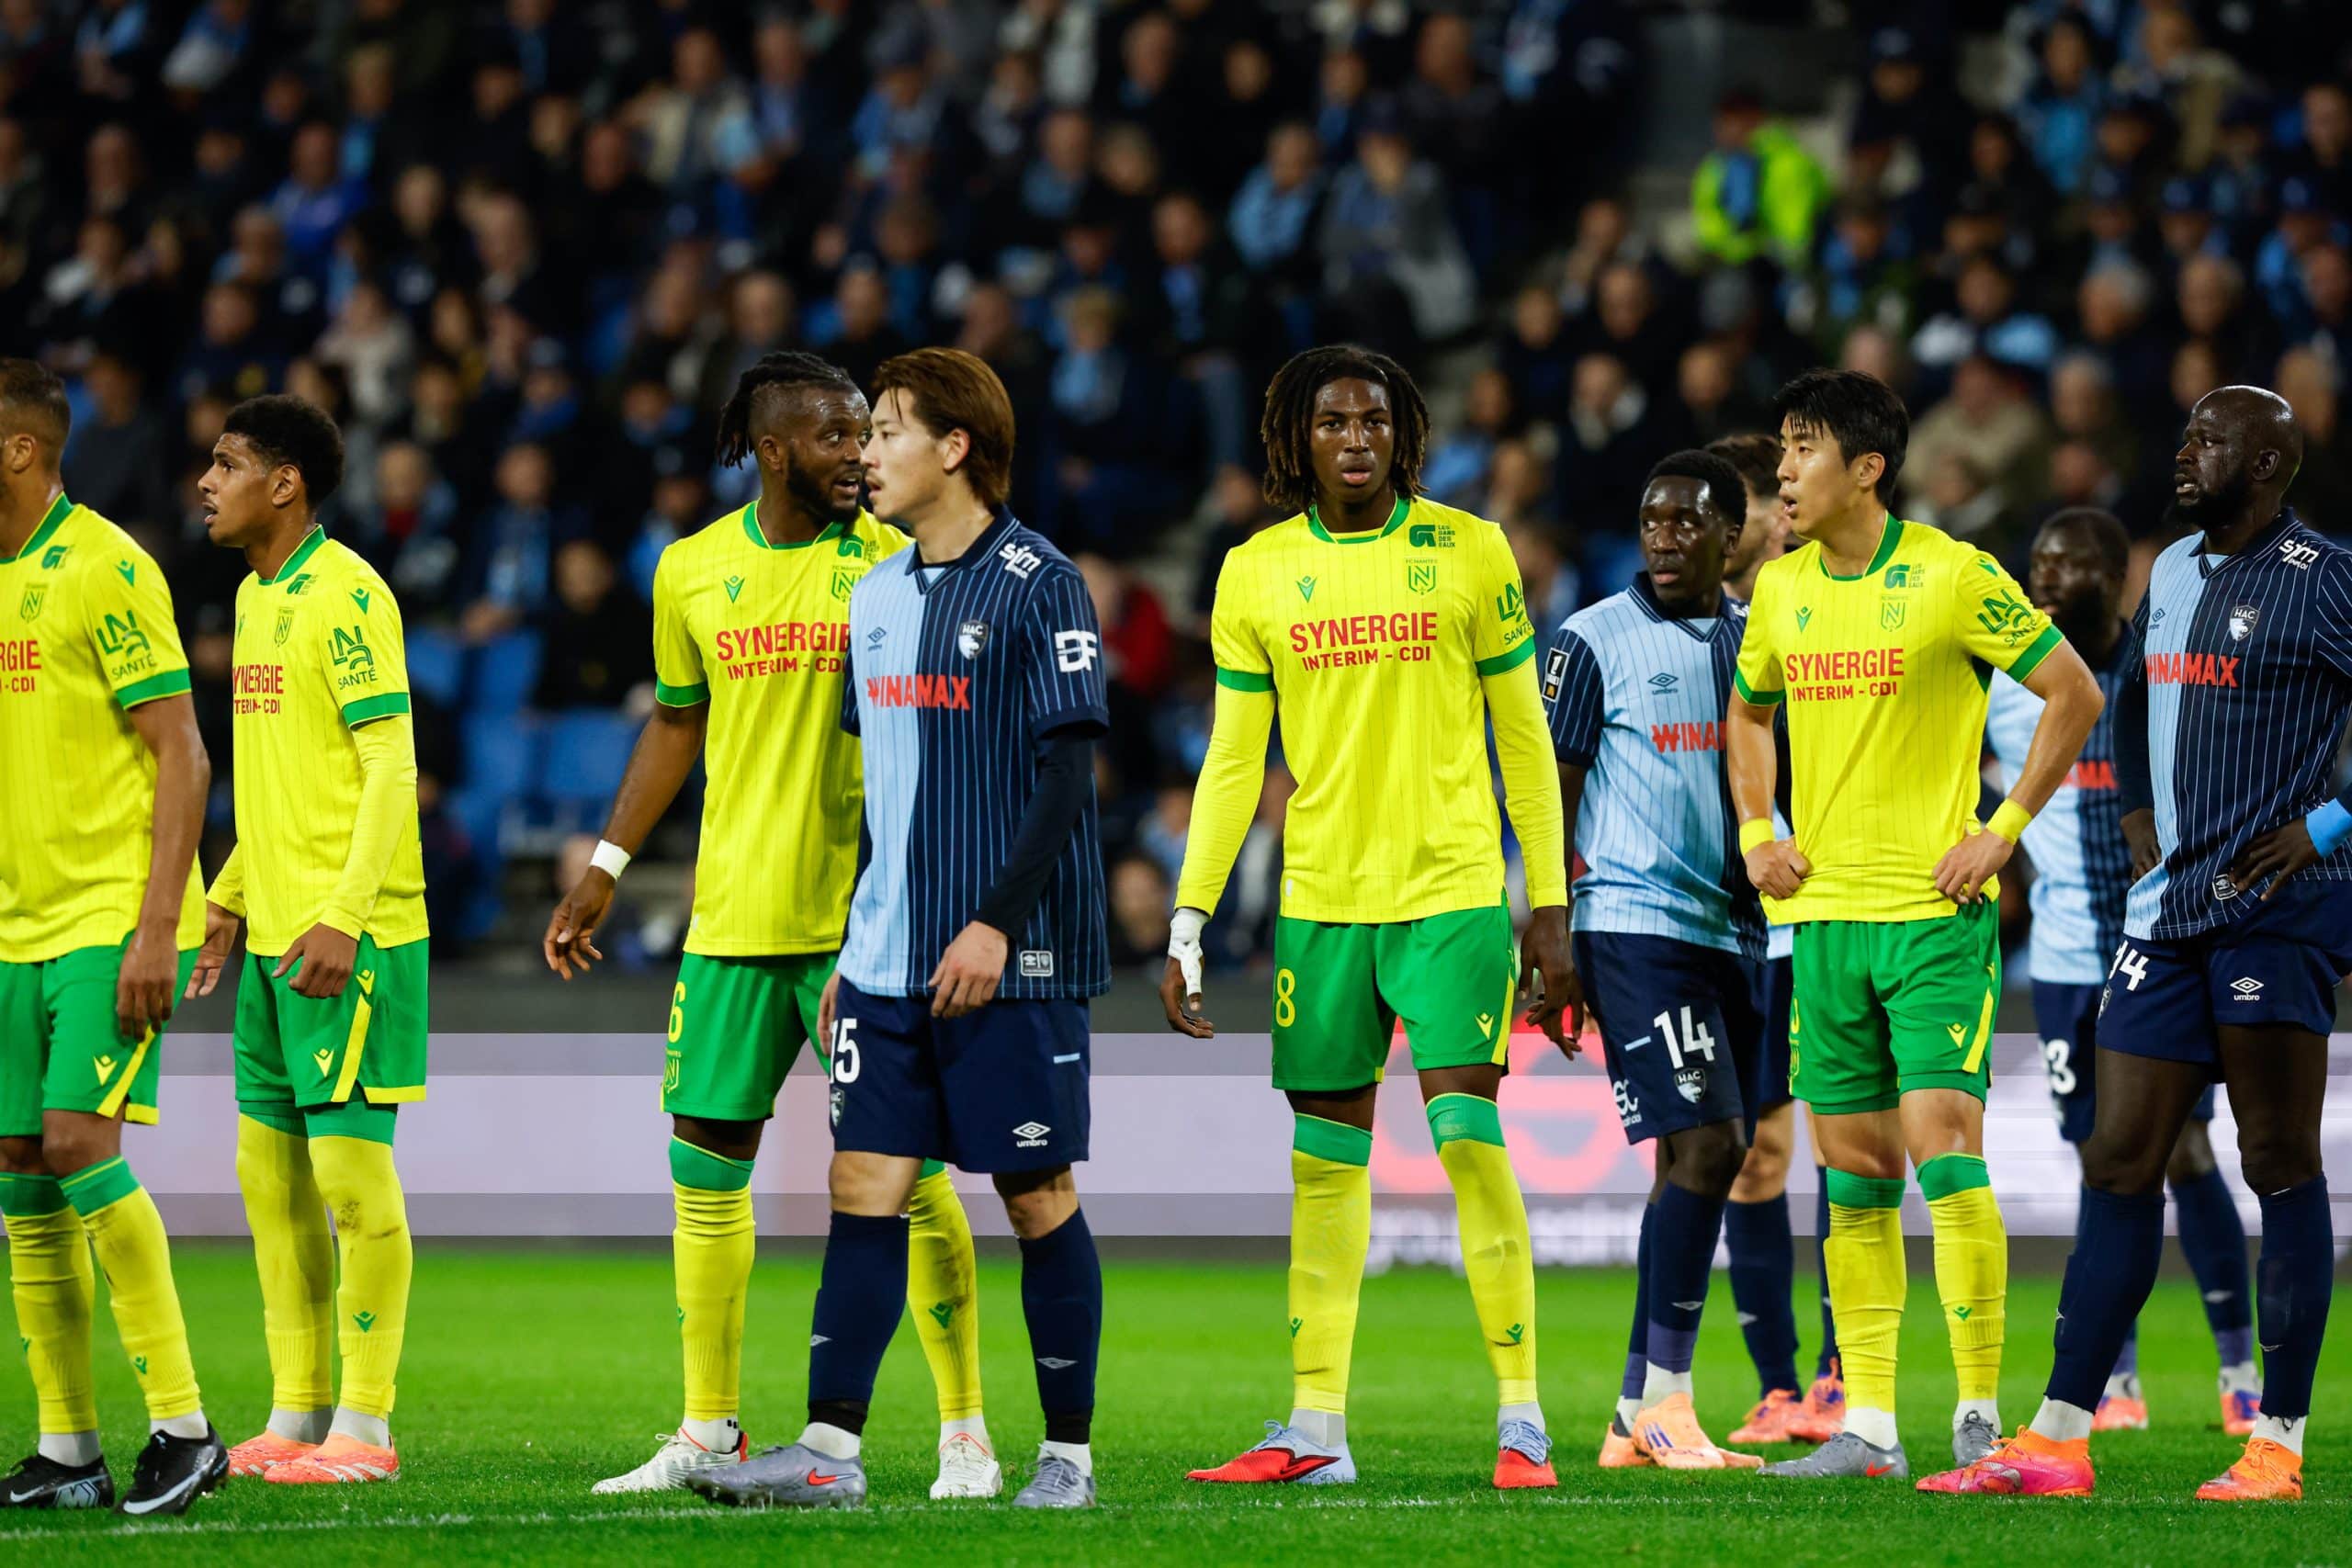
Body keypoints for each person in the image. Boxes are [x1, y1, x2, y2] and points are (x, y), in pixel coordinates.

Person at [542, 353, 991, 1499]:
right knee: (704, 1167)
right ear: (775, 449)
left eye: (869, 435)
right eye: (839, 438)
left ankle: (965, 1433)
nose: (863, 454)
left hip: (867, 929)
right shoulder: (691, 572)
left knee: (914, 1174)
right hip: (734, 916)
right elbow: (677, 724)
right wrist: (606, 864)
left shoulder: (900, 563)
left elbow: (945, 745)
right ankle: (708, 1429)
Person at [689, 349, 1110, 1512]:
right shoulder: (872, 599)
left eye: (885, 431)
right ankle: (829, 1453)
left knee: (1034, 1193)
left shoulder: (1040, 582)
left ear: (954, 449)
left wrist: (989, 924)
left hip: (1010, 959)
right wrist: (854, 940)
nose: (864, 453)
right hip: (884, 960)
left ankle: (1065, 1457)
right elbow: (892, 793)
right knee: (861, 1181)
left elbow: (1069, 774)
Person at [1923, 386, 2346, 1503]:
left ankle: (2279, 1442)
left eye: (2209, 441)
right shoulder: (2170, 571)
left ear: (2265, 465)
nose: (2183, 452)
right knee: (2117, 1161)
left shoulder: (2325, 578)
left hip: (2275, 911)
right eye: (2184, 434)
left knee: (2274, 1161)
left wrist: (2328, 822)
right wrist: (2134, 820)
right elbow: (2132, 702)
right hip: (2165, 919)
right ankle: (2059, 1435)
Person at [1164, 344, 1572, 1491]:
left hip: (1447, 895)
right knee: (1322, 1166)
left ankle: (1523, 1420)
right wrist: (1191, 919)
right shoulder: (1255, 571)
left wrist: (1549, 902)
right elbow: (1233, 764)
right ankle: (1315, 1432)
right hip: (1322, 905)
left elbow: (1524, 745)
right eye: (1334, 421)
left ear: (1405, 434)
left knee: (1464, 1140)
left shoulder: (1468, 550)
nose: (1356, 439)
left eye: (1375, 421)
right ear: (1298, 439)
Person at [1727, 369, 2104, 1481]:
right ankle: (1871, 1429)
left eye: (1802, 451)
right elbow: (1747, 711)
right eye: (1783, 452)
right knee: (1851, 1179)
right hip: (1826, 923)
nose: (1782, 473)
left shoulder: (1951, 575)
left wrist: (2004, 826)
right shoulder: (1782, 590)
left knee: (1946, 1154)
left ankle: (1980, 1416)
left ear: (1866, 468)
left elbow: (2072, 690)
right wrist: (1758, 828)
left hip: (1934, 917)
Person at [187, 394, 426, 1487]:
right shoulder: (252, 596)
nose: (207, 481)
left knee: (348, 1180)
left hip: (352, 931)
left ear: (284, 483)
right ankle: (295, 1414)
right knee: (268, 1177)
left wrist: (342, 912)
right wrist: (231, 896)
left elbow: (388, 765)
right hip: (278, 926)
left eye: (228, 463)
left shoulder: (347, 594)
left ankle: (364, 1431)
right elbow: (279, 777)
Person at [0, 358, 225, 1515]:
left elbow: (181, 749)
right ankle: (68, 1447)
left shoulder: (105, 566)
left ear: (21, 451)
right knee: (23, 1172)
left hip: (106, 918)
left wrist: (156, 929)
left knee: (81, 1146)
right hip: (12, 929)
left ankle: (185, 1427)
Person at [1981, 508, 2258, 1436]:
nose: (2046, 578)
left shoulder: (2158, 681)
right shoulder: (2010, 693)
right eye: (2037, 563)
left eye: (2067, 564)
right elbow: (1979, 789)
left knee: (2183, 1153)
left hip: (2162, 953)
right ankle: (2120, 1378)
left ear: (2114, 578)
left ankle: (2236, 1368)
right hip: (2062, 966)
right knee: (2102, 1161)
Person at [1544, 449, 1770, 1473]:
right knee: (1713, 1145)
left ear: (1732, 534)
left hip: (1738, 931)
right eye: (1652, 521)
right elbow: (1550, 791)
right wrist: (1545, 928)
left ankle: (1630, 1412)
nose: (1666, 538)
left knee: (1694, 1159)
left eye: (1688, 523)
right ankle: (1670, 1404)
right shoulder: (1591, 641)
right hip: (1633, 923)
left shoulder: (1757, 643)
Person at [1707, 430, 1844, 1446]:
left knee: (1844, 1144)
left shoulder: (1822, 600)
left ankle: (1844, 1373)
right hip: (1736, 916)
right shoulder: (1703, 624)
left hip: (1830, 899)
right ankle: (1777, 1383)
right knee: (1755, 1155)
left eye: (1747, 504)